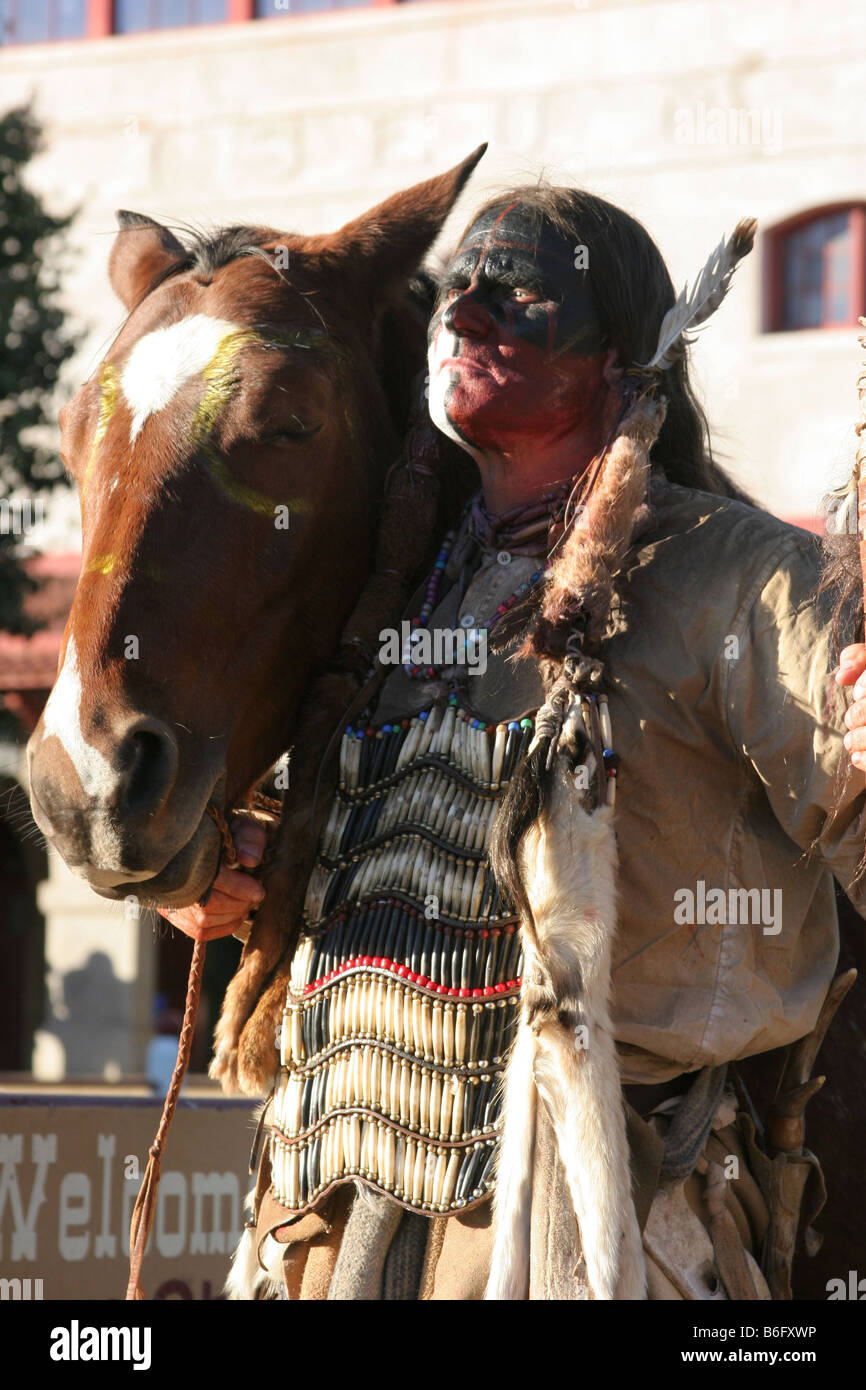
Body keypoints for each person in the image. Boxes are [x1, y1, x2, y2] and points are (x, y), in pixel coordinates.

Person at [161, 187, 866, 1300]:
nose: (470, 310)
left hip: (588, 1216)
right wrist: (215, 872)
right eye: (459, 288)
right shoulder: (387, 579)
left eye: (522, 293)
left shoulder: (731, 575)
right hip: (328, 1194)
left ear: (621, 362)